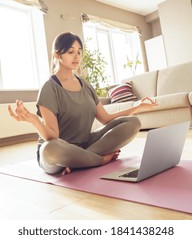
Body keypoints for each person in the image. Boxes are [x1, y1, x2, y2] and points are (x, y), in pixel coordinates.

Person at [8, 32, 157, 175]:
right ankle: (98, 159)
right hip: (59, 149)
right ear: (57, 55)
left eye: (79, 52)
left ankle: (80, 161)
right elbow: (52, 136)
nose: (76, 56)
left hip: (86, 143)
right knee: (50, 150)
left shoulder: (86, 86)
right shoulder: (49, 88)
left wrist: (137, 107)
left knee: (133, 122)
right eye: (70, 52)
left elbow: (106, 118)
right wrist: (35, 121)